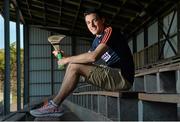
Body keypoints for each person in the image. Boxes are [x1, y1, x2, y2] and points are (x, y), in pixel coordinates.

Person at [30, 8, 134, 117]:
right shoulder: (96, 41)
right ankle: (54, 104)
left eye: (94, 20)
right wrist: (65, 56)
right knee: (73, 65)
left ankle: (54, 105)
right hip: (113, 75)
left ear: (102, 20)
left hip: (122, 77)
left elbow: (93, 57)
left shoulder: (109, 31)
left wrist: (66, 60)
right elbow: (85, 61)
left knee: (74, 66)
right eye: (88, 22)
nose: (92, 25)